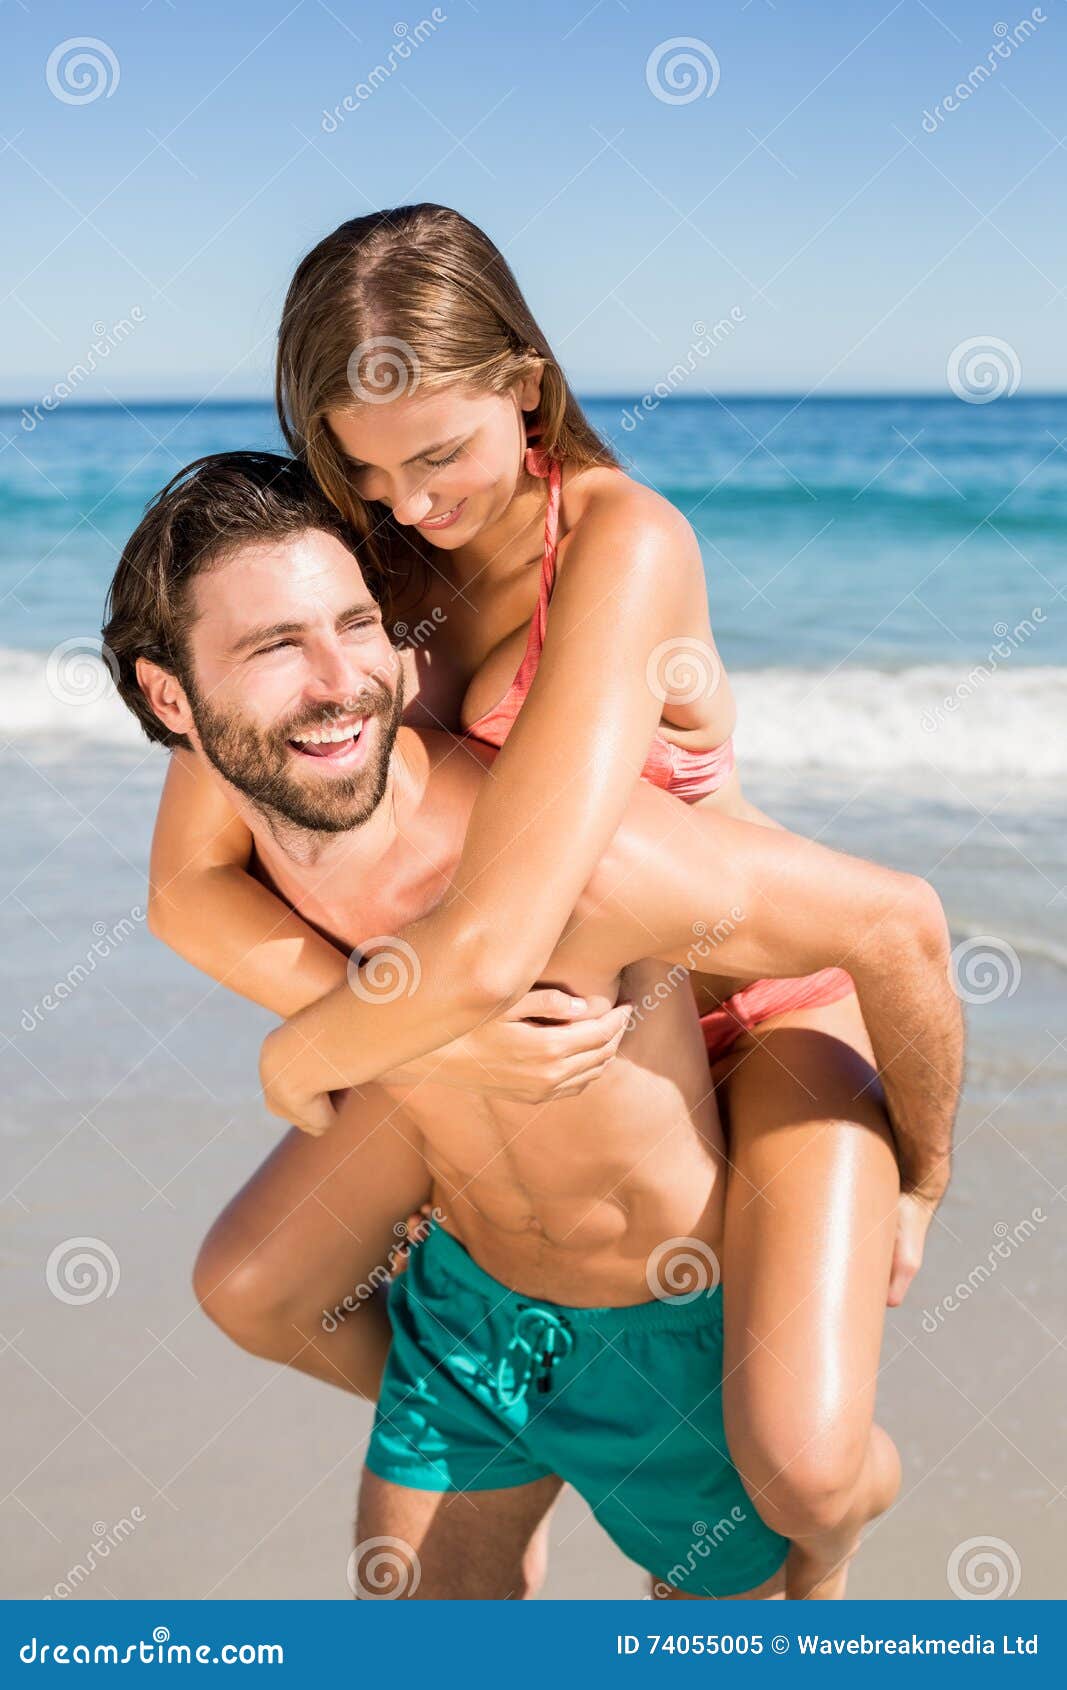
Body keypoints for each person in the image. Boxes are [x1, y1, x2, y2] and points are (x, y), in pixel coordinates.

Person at [139, 206, 954, 1592]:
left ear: (525, 380)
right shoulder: (359, 559)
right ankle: (536, 1426)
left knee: (803, 1469)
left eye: (442, 454)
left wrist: (310, 1054)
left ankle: (843, 1494)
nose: (409, 504)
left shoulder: (620, 544)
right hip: (526, 1030)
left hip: (737, 1008)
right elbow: (187, 884)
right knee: (256, 1284)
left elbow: (500, 939)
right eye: (365, 464)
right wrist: (404, 1031)